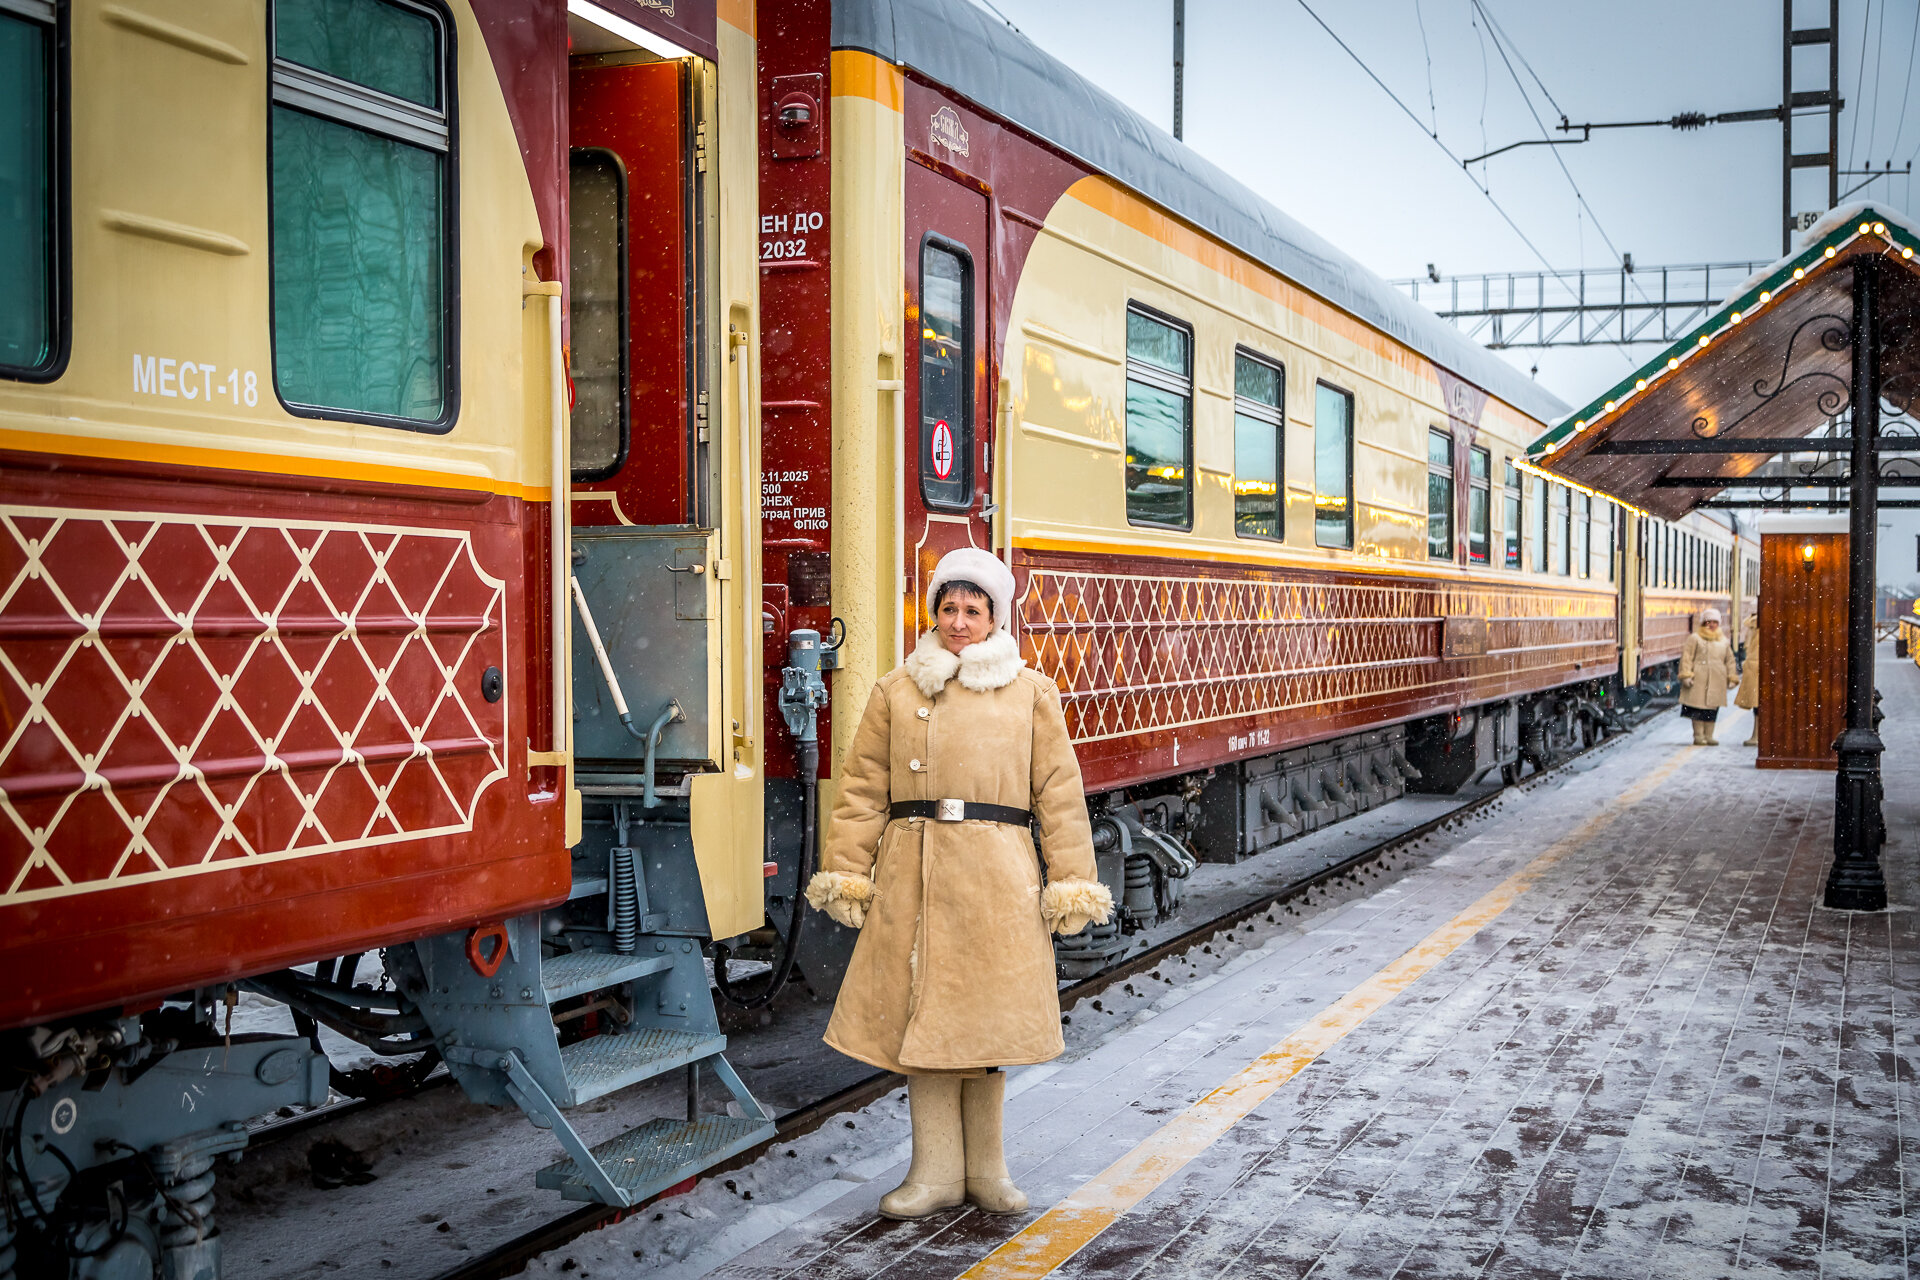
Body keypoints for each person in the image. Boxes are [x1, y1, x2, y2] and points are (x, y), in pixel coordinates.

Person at [805, 547, 1113, 1220]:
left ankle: (988, 1172)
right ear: (935, 612)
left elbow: (1059, 795)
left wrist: (1071, 882)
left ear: (995, 618)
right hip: (912, 871)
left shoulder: (1030, 691)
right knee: (928, 1023)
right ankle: (934, 1174)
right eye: (949, 608)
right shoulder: (896, 690)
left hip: (997, 874)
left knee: (987, 1025)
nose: (960, 621)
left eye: (974, 610)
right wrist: (848, 874)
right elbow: (861, 793)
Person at [1679, 607, 1739, 745]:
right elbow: (1687, 657)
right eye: (1708, 622)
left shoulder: (1723, 640)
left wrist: (1732, 677)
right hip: (1698, 678)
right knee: (1697, 708)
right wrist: (1686, 674)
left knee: (1712, 708)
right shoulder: (1695, 638)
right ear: (1703, 623)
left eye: (1715, 622)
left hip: (1717, 679)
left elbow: (1730, 660)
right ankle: (1698, 735)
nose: (1712, 625)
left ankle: (1709, 735)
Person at [1735, 605, 1760, 747]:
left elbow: (1750, 646)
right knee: (1758, 706)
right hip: (1756, 669)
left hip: (1756, 669)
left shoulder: (1755, 623)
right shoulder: (1757, 623)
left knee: (1758, 706)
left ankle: (1757, 736)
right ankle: (1756, 735)